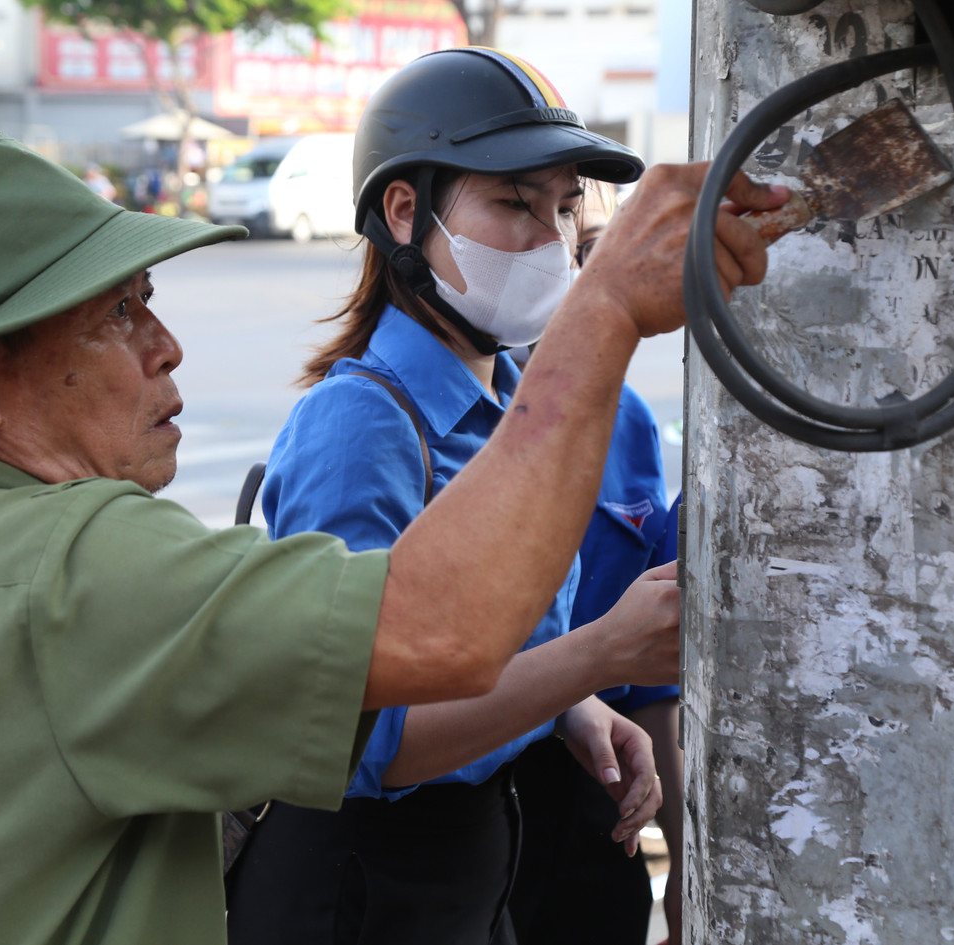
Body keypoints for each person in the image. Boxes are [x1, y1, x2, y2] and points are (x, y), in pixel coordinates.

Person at [0, 126, 782, 944]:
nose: (167, 346)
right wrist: (600, 313)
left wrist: (570, 700)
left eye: (149, 303)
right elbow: (443, 635)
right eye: (117, 317)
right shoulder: (78, 563)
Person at [225, 48, 691, 945]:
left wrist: (569, 709)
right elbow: (373, 738)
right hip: (361, 888)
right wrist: (596, 656)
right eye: (514, 203)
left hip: (476, 871)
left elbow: (487, 652)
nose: (552, 242)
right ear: (405, 211)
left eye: (564, 208)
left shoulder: (521, 401)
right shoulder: (359, 425)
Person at [508, 180, 686, 945]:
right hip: (474, 798)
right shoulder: (413, 420)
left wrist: (684, 868)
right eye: (564, 249)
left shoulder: (629, 421)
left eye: (594, 252)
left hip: (601, 804)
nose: (576, 278)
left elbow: (654, 689)